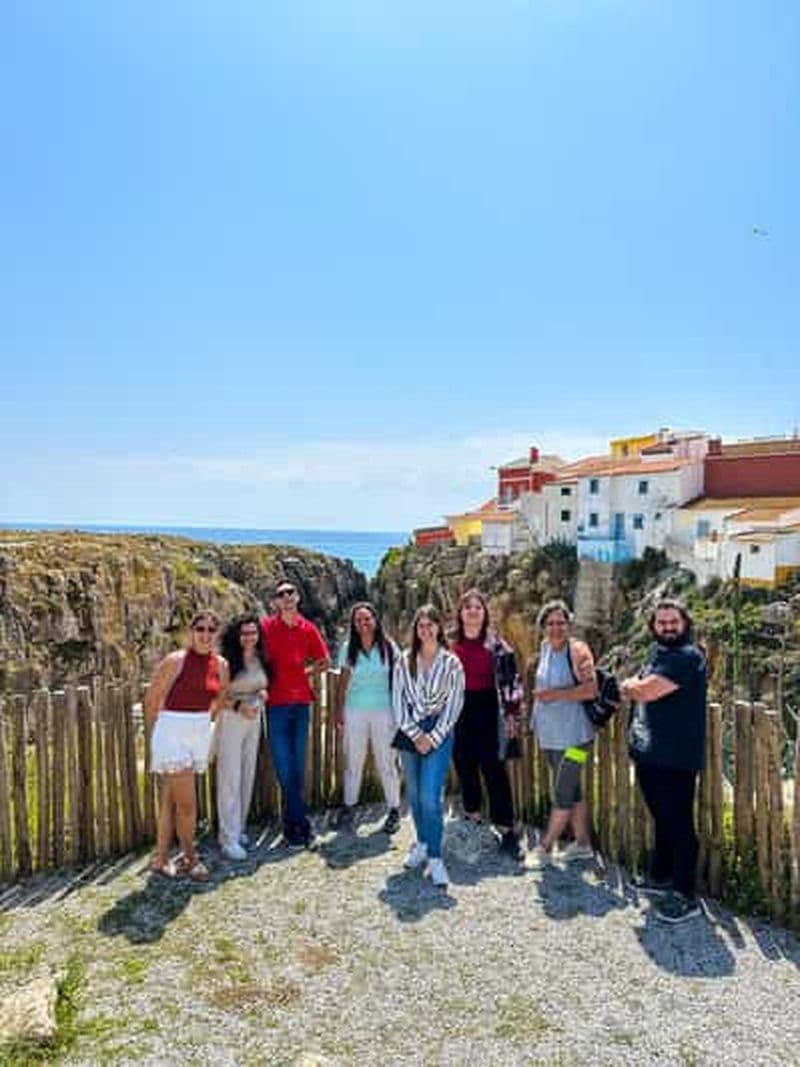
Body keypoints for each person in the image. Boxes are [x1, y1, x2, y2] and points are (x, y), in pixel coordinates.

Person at [622, 598, 707, 924]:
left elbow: (646, 690)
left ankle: (685, 894)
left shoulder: (686, 656)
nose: (668, 627)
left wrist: (629, 684)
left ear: (684, 623)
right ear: (653, 627)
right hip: (651, 753)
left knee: (679, 823)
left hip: (676, 757)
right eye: (662, 623)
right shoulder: (660, 653)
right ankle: (661, 877)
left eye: (673, 622)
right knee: (663, 817)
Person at [145, 609, 229, 880]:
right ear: (191, 632)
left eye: (210, 630)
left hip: (198, 732)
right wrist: (157, 737)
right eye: (200, 629)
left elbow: (220, 699)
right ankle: (190, 859)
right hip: (173, 733)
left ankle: (159, 859)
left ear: (216, 634)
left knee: (172, 799)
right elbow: (153, 699)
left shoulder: (221, 664)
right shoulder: (176, 660)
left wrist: (205, 725)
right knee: (188, 806)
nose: (205, 634)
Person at [392, 604, 465, 887]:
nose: (426, 629)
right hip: (409, 732)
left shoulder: (451, 663)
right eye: (421, 625)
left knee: (430, 796)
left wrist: (432, 737)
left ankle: (435, 858)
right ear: (416, 629)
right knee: (413, 792)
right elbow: (397, 701)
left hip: (440, 731)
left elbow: (455, 704)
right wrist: (414, 734)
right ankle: (422, 843)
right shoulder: (404, 661)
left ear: (439, 627)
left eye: (430, 624)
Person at [451, 589, 524, 860]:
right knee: (463, 763)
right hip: (459, 710)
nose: (472, 611)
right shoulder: (450, 644)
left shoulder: (498, 645)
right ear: (460, 613)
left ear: (484, 613)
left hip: (490, 710)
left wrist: (513, 716)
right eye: (467, 607)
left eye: (477, 607)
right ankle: (473, 816)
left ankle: (506, 830)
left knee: (494, 768)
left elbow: (513, 683)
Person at [261, 580, 330, 847]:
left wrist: (306, 673)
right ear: (275, 602)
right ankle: (304, 826)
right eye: (281, 594)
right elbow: (252, 656)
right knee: (284, 766)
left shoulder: (308, 628)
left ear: (298, 597)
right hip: (276, 705)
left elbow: (325, 661)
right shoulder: (266, 628)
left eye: (291, 592)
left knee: (297, 767)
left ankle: (292, 827)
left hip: (301, 704)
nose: (287, 597)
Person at [529, 599, 597, 866]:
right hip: (550, 737)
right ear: (543, 627)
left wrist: (553, 695)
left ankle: (545, 847)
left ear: (569, 624)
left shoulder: (579, 650)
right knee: (574, 789)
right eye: (551, 623)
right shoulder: (545, 648)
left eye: (561, 623)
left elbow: (591, 690)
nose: (556, 628)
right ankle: (582, 844)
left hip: (576, 739)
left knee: (562, 791)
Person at [334, 602, 401, 834]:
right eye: (358, 620)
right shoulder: (347, 648)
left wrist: (400, 712)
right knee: (353, 760)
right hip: (355, 711)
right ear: (354, 624)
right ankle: (349, 807)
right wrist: (338, 710)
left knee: (387, 761)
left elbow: (398, 678)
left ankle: (393, 809)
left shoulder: (389, 647)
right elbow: (342, 682)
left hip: (385, 711)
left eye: (367, 619)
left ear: (375, 620)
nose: (363, 624)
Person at [216, 614, 269, 861]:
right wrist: (239, 707)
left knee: (247, 774)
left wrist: (262, 693)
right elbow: (218, 695)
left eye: (253, 632)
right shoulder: (226, 662)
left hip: (254, 718)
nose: (249, 637)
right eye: (244, 633)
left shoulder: (259, 658)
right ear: (236, 636)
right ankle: (227, 838)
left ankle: (239, 828)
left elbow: (259, 684)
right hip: (231, 719)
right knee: (230, 776)